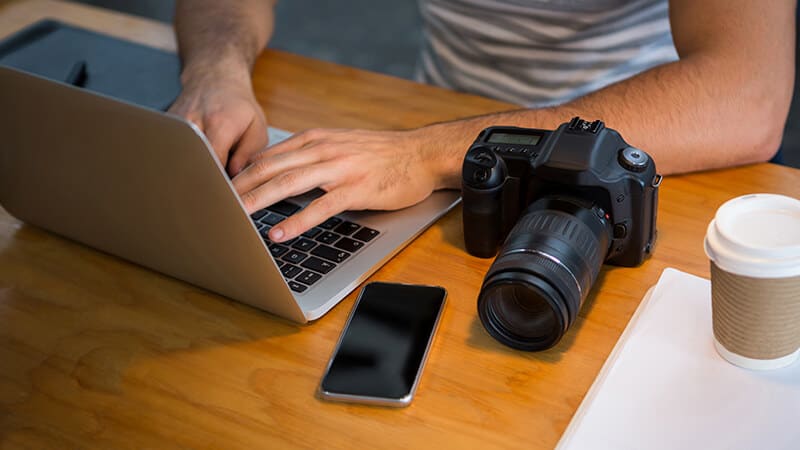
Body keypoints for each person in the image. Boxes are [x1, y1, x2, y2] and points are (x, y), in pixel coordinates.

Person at [169, 0, 796, 244]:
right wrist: (215, 68)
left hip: (643, 151)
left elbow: (744, 93)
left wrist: (432, 153)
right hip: (426, 125)